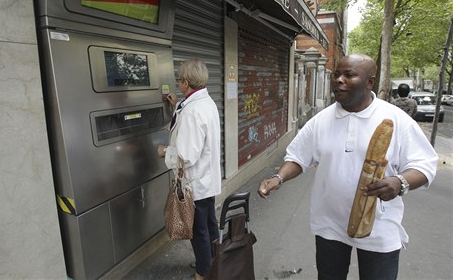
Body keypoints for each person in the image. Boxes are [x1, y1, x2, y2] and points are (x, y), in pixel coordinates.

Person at [258, 54, 438, 280]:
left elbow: (424, 164)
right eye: (336, 75)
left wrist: (400, 182)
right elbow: (297, 157)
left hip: (379, 227)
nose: (339, 80)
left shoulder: (395, 120)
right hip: (329, 224)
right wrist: (278, 178)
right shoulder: (321, 120)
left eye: (349, 75)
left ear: (370, 82)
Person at [157, 58, 221, 280]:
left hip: (196, 183)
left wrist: (165, 151)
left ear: (185, 82)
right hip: (207, 179)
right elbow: (193, 127)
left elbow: (186, 155)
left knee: (199, 231)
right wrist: (177, 106)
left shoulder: (193, 111)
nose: (178, 84)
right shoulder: (205, 103)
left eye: (179, 80)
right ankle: (213, 260)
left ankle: (204, 271)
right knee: (210, 225)